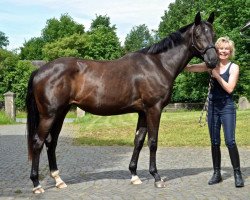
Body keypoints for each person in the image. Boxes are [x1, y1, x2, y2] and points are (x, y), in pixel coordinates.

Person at [185, 36, 244, 187]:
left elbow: (230, 89)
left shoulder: (234, 67)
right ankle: (216, 173)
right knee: (214, 142)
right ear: (216, 51)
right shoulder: (211, 64)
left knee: (230, 141)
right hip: (213, 107)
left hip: (227, 107)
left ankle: (237, 173)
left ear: (230, 52)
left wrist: (216, 75)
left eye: (226, 49)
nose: (223, 51)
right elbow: (192, 68)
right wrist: (182, 64)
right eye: (221, 49)